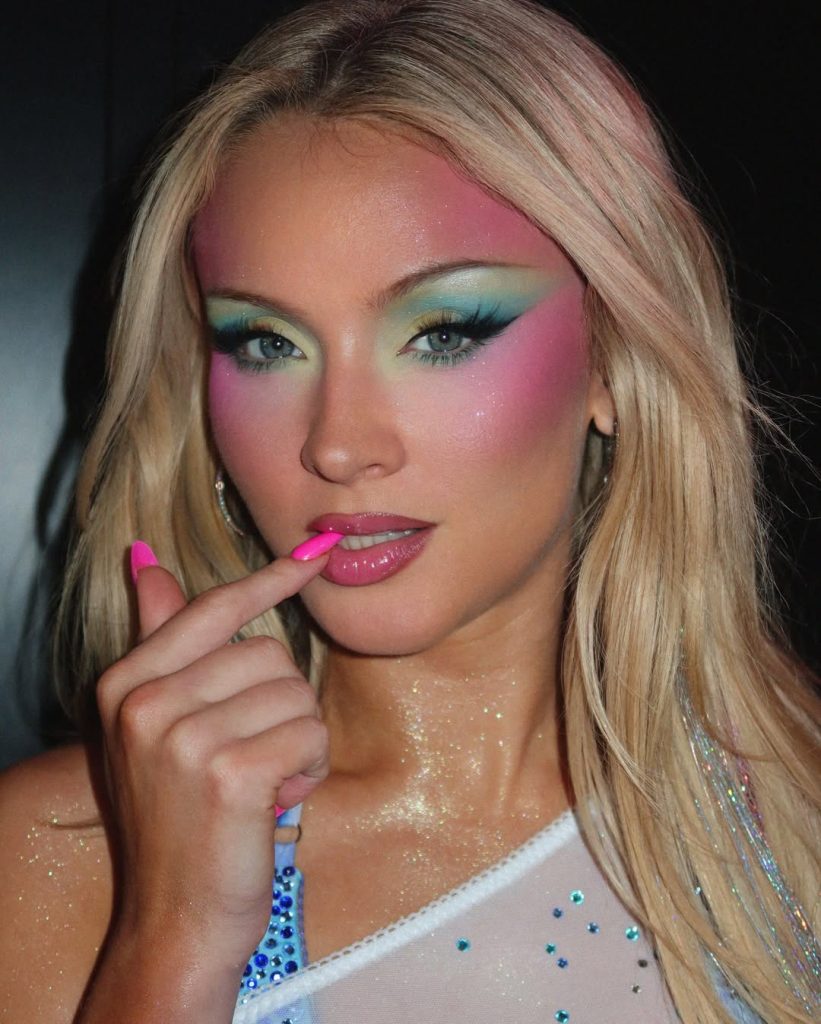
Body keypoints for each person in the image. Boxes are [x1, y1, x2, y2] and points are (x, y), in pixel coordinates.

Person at [0, 0, 818, 1021]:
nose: (338, 444)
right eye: (267, 344)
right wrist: (175, 940)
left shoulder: (793, 804)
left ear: (613, 357)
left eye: (440, 333)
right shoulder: (56, 862)